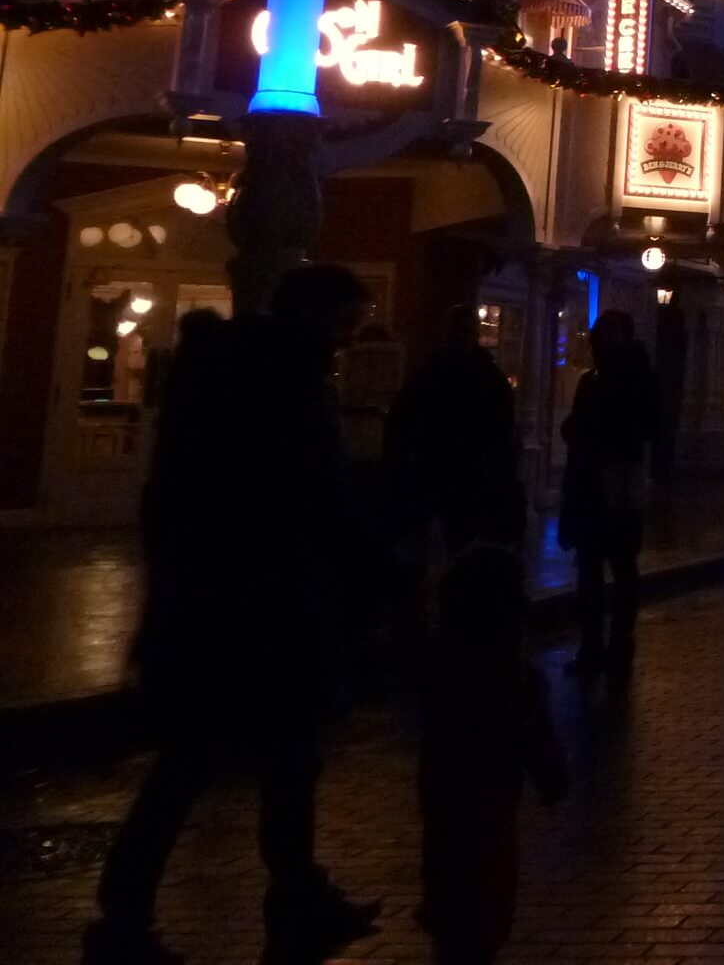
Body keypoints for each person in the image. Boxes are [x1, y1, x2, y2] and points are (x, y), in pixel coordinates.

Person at [89, 267, 382, 965]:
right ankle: (282, 899)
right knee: (274, 759)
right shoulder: (290, 387)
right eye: (344, 325)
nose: (346, 342)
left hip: (205, 600)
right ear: (314, 316)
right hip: (269, 603)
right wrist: (364, 565)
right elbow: (314, 495)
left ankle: (131, 914)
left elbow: (169, 500)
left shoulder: (217, 380)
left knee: (201, 761)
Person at [416, 544, 567, 964]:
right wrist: (550, 773)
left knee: (454, 906)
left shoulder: (441, 665)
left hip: (446, 804)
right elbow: (538, 747)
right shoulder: (513, 677)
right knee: (484, 903)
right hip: (489, 804)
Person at [558, 311, 660, 679]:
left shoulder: (632, 379)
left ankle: (617, 644)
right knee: (592, 569)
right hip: (591, 484)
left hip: (618, 485)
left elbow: (646, 424)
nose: (600, 342)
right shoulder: (592, 380)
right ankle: (593, 646)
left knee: (618, 566)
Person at [386, 305, 522, 558]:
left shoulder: (431, 371)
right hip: (459, 468)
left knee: (444, 537)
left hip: (446, 466)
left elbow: (404, 416)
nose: (461, 335)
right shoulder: (485, 375)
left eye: (465, 330)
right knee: (457, 538)